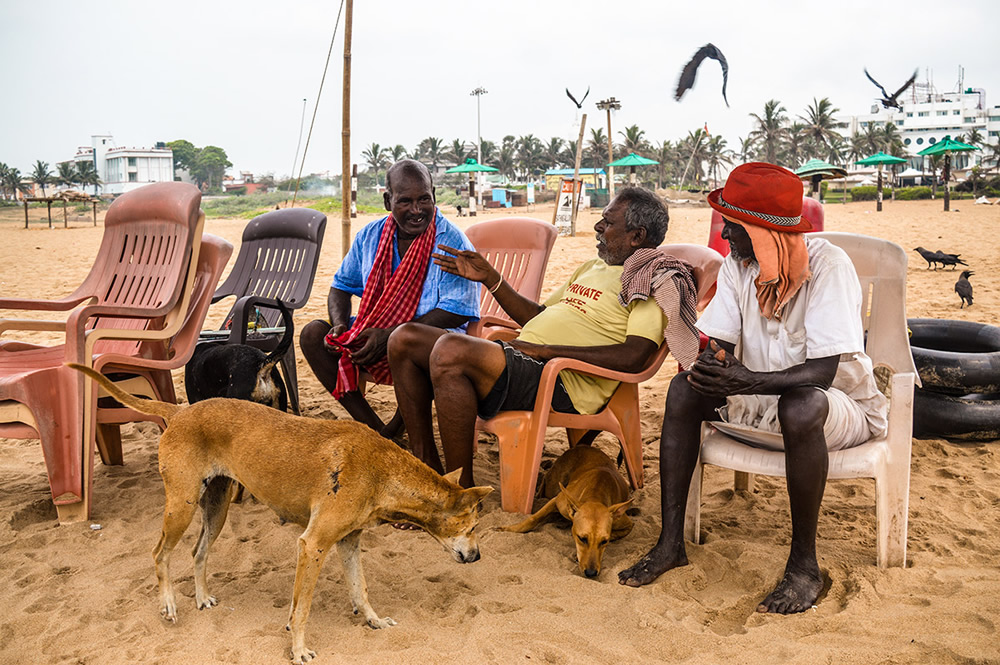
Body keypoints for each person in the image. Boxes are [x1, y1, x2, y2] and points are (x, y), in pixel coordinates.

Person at [617, 162, 889, 615]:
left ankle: (804, 566)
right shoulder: (738, 267)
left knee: (801, 406)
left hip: (833, 411)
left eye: (732, 226)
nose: (724, 236)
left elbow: (821, 374)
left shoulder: (829, 267)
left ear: (764, 233)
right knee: (683, 390)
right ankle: (670, 545)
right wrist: (711, 366)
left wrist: (745, 379)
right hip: (758, 401)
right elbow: (721, 345)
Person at [387, 187, 694, 487]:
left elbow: (634, 357)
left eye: (608, 221)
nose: (598, 227)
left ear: (637, 236)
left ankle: (458, 489)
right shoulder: (593, 267)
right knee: (404, 338)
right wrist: (491, 278)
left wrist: (546, 351)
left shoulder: (652, 279)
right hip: (521, 359)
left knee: (450, 349)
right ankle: (427, 466)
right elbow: (538, 316)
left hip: (561, 379)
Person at [300, 159, 481, 435]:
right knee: (313, 334)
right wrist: (339, 323)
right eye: (405, 201)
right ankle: (373, 428)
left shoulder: (451, 241)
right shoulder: (370, 236)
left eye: (424, 199)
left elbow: (457, 310)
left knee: (406, 341)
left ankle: (396, 429)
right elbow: (340, 286)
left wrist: (390, 335)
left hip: (432, 341)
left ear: (434, 195)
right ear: (388, 200)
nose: (417, 210)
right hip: (376, 330)